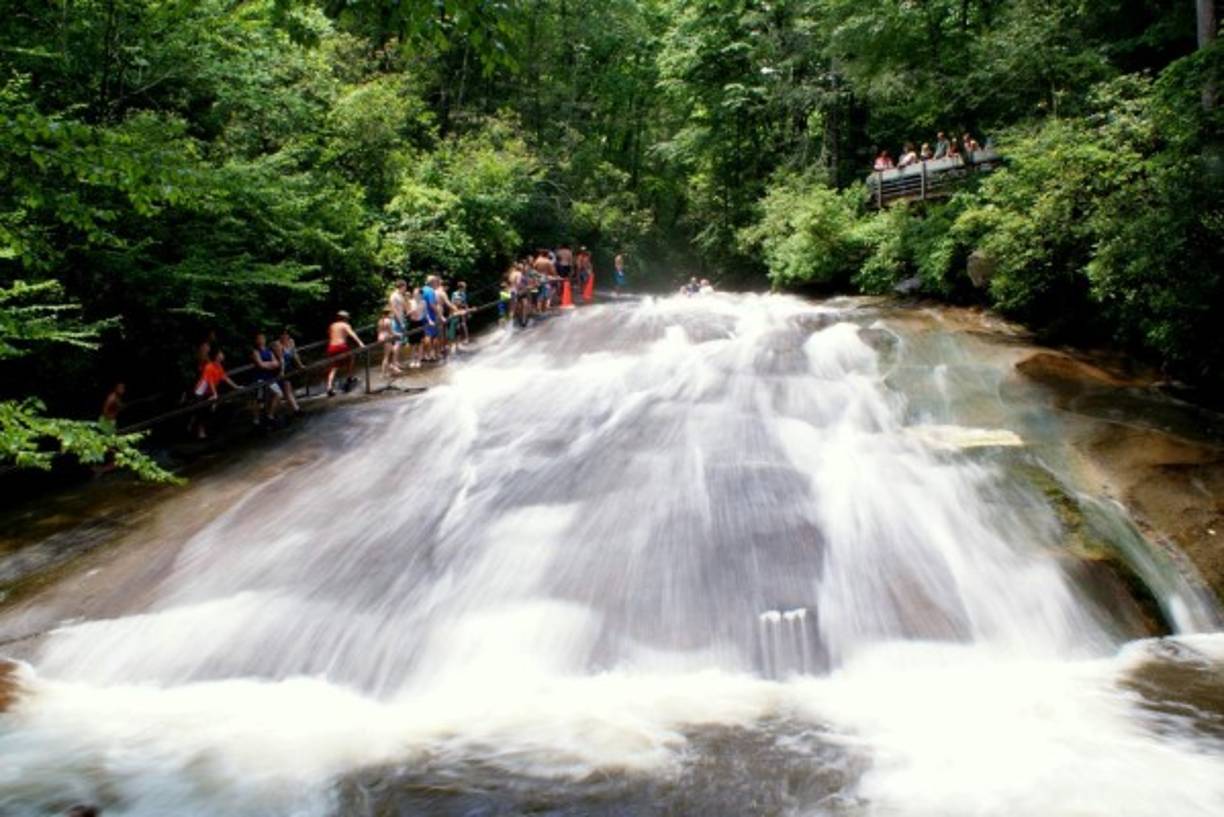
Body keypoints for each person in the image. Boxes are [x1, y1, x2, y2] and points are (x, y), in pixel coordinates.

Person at [191, 349, 239, 439]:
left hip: (209, 392)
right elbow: (210, 381)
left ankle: (207, 429)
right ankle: (200, 430)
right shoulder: (209, 367)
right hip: (200, 392)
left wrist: (236, 386)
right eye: (221, 353)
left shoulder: (218, 366)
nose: (223, 355)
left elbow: (225, 377)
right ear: (217, 356)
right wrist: (215, 394)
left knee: (212, 408)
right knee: (203, 410)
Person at [325, 311, 364, 396]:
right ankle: (349, 378)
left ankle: (329, 387)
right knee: (351, 357)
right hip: (341, 346)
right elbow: (352, 334)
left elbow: (330, 334)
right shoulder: (345, 325)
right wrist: (360, 343)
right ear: (345, 318)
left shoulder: (332, 325)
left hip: (331, 347)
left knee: (334, 367)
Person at [251, 331, 284, 424]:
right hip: (259, 378)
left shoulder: (269, 351)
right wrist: (270, 364)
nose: (261, 340)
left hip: (269, 377)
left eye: (263, 338)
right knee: (259, 399)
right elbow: (260, 365)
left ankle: (270, 415)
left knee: (279, 394)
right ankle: (256, 420)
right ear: (256, 340)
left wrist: (267, 364)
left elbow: (277, 363)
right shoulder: (255, 352)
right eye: (259, 338)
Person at [270, 338, 301, 415]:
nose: (279, 347)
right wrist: (282, 372)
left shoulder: (284, 352)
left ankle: (294, 409)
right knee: (287, 392)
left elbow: (293, 355)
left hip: (288, 372)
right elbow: (282, 363)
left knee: (288, 392)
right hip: (283, 374)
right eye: (277, 346)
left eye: (279, 345)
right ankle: (296, 409)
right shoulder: (277, 355)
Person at [388, 279, 408, 369]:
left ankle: (396, 361)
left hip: (401, 320)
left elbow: (404, 307)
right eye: (405, 287)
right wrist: (401, 323)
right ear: (402, 286)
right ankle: (393, 363)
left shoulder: (400, 295)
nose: (406, 289)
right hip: (396, 321)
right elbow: (394, 310)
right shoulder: (394, 296)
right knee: (397, 342)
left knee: (399, 343)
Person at [377, 308, 402, 377]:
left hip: (381, 338)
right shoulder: (388, 321)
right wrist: (398, 334)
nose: (391, 314)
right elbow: (391, 332)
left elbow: (378, 331)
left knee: (392, 352)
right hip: (386, 338)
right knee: (386, 356)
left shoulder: (380, 320)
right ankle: (382, 374)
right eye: (390, 313)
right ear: (388, 314)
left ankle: (389, 371)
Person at [407, 287, 425, 367]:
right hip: (412, 323)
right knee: (413, 344)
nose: (415, 294)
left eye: (416, 293)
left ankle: (419, 360)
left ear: (420, 294)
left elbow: (425, 313)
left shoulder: (423, 302)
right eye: (414, 293)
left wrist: (429, 320)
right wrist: (411, 312)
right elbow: (407, 314)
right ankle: (412, 360)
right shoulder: (410, 302)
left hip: (420, 323)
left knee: (420, 343)